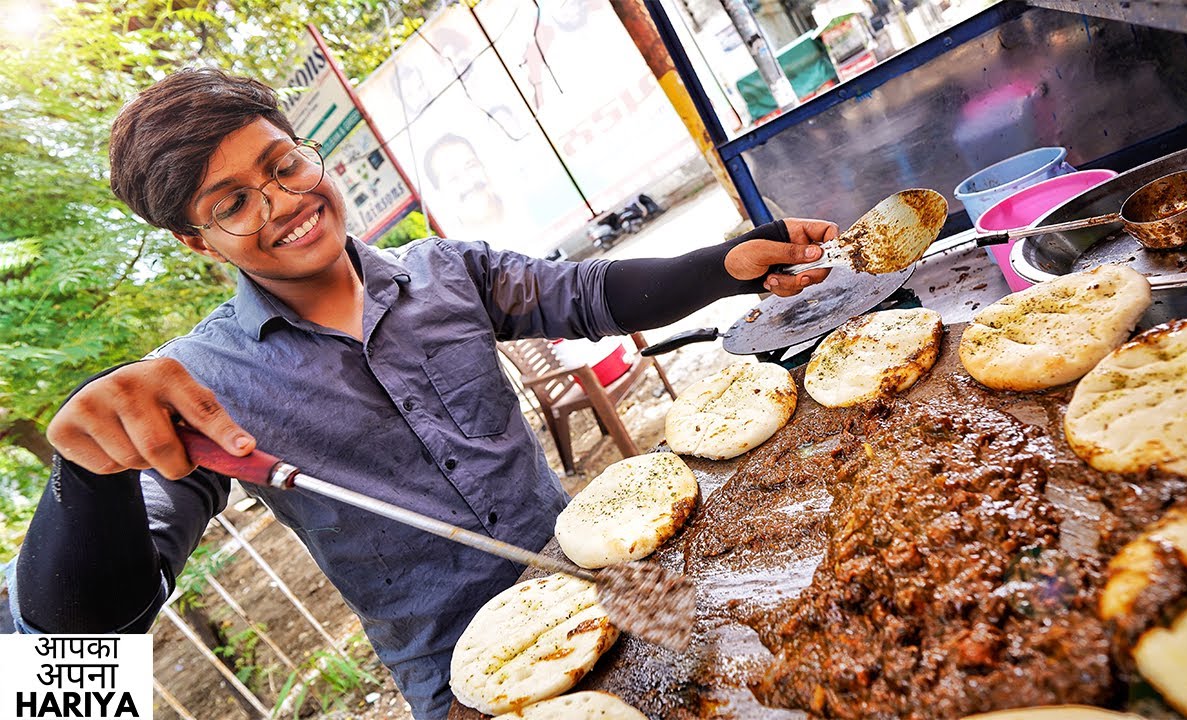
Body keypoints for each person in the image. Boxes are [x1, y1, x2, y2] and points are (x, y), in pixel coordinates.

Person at [10, 68, 833, 719]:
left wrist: (725, 265)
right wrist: (86, 477)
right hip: (470, 689)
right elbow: (65, 650)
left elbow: (587, 294)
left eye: (284, 164)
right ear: (197, 243)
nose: (287, 201)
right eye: (233, 204)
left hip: (612, 590)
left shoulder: (445, 271)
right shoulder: (197, 391)